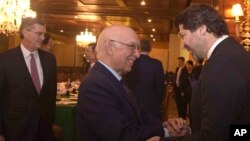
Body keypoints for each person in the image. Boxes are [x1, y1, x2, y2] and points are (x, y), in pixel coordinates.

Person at [148, 4, 250, 141]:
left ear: (202, 29)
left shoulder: (222, 63)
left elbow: (216, 137)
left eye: (183, 35)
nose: (183, 44)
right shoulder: (228, 54)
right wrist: (190, 130)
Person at [76, 25, 170, 141]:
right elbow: (122, 136)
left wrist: (164, 126)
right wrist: (166, 132)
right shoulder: (95, 85)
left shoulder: (114, 77)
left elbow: (138, 113)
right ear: (109, 47)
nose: (137, 54)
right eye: (132, 47)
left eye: (138, 48)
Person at [0, 17, 57, 141]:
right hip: (15, 129)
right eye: (39, 34)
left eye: (44, 34)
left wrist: (50, 122)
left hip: (43, 130)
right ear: (25, 33)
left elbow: (51, 95)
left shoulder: (50, 60)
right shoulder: (5, 60)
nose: (43, 38)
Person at [125, 39, 165, 120]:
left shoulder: (131, 62)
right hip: (152, 107)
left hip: (132, 107)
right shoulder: (157, 64)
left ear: (138, 48)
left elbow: (126, 84)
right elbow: (160, 88)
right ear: (150, 49)